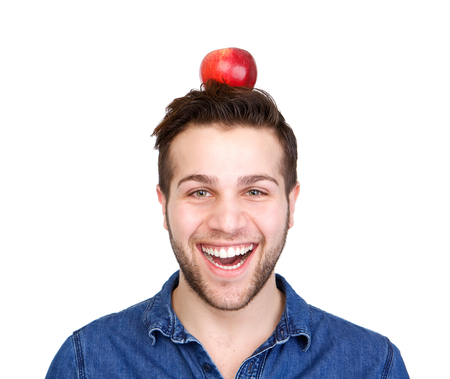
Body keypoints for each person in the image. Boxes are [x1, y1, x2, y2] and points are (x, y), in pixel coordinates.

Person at [46, 81, 409, 379]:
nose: (228, 221)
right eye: (200, 192)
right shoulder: (85, 365)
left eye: (255, 191)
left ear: (291, 204)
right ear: (164, 205)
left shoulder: (374, 367)